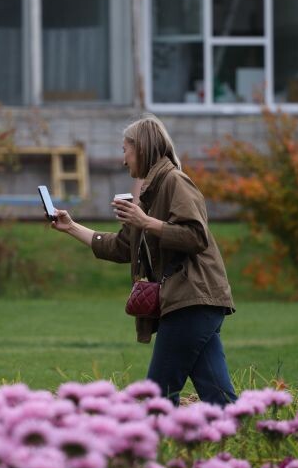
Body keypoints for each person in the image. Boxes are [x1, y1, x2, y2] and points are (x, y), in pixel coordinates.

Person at [51, 114, 237, 406]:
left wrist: (146, 221)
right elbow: (122, 247)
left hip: (192, 299)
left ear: (142, 148)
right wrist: (71, 227)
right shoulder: (149, 193)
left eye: (125, 150)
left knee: (158, 396)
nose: (123, 160)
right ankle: (239, 441)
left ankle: (154, 448)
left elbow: (196, 237)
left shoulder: (175, 182)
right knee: (218, 396)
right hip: (195, 303)